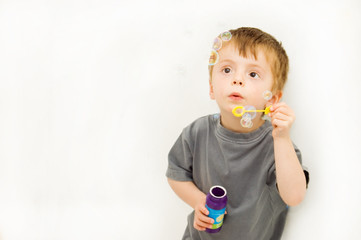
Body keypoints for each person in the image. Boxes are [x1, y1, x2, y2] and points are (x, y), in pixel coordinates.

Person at [166, 27, 309, 240]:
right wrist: (198, 201)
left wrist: (281, 138)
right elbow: (175, 173)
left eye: (252, 74)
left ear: (272, 100)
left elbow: (294, 196)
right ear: (212, 87)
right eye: (226, 70)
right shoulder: (196, 133)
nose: (237, 79)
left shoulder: (278, 145)